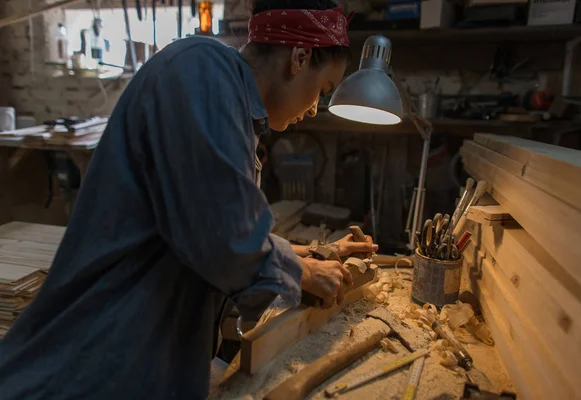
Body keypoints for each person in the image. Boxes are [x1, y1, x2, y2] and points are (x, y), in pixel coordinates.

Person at [0, 1, 375, 399]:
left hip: (149, 361)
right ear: (299, 58)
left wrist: (316, 254)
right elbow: (224, 238)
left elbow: (213, 226)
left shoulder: (234, 108)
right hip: (94, 361)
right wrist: (306, 274)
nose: (315, 107)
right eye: (322, 90)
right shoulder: (202, 69)